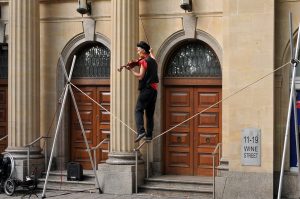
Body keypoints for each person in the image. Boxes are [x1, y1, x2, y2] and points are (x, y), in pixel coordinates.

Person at [126, 41, 159, 142]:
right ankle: (149, 135)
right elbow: (153, 57)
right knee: (149, 113)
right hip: (154, 91)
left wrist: (130, 70)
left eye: (138, 50)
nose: (137, 53)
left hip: (146, 89)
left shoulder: (144, 61)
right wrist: (152, 52)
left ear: (143, 51)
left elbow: (140, 76)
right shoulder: (153, 61)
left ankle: (141, 131)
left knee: (138, 110)